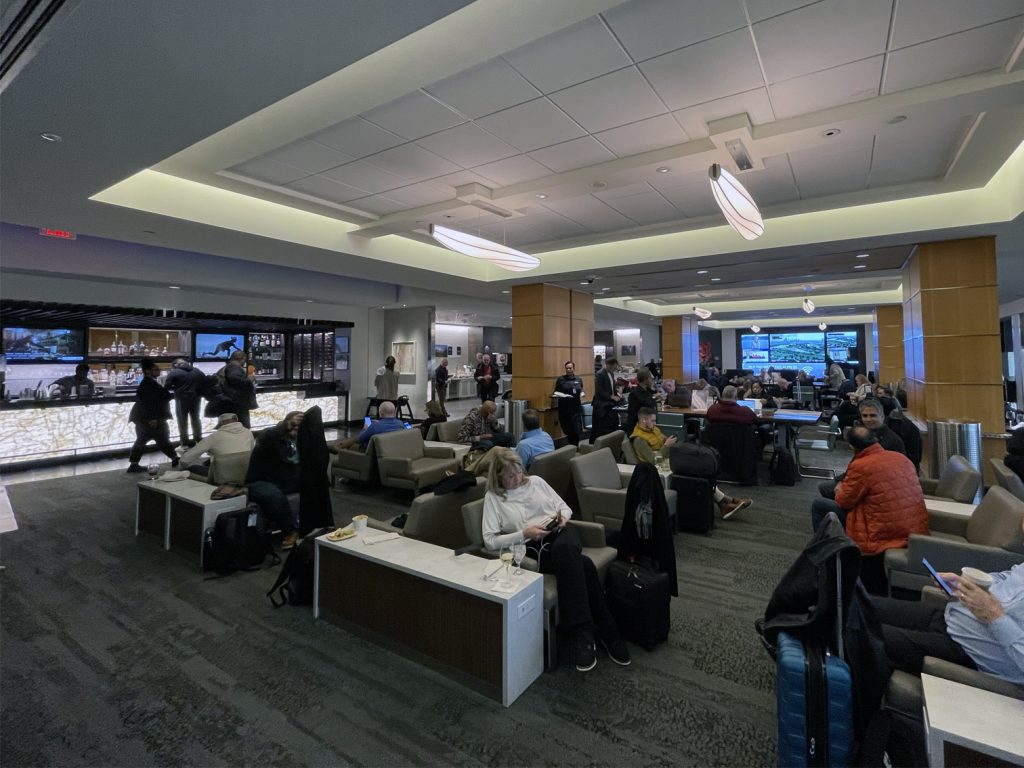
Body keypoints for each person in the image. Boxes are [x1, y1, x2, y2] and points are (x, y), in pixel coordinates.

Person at [481, 449, 630, 671]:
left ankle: (582, 634)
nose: (518, 478)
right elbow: (490, 540)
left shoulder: (537, 482)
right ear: (498, 477)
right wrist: (525, 534)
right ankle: (607, 631)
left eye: (519, 472)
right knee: (584, 565)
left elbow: (565, 508)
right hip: (534, 546)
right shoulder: (494, 498)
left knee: (566, 551)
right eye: (510, 476)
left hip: (561, 533)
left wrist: (562, 519)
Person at [810, 427, 927, 593]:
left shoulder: (862, 465)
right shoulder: (900, 458)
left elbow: (844, 501)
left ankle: (823, 552)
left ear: (851, 447)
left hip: (882, 530)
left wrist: (839, 489)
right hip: (913, 525)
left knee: (819, 505)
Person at [872, 557, 1024, 684]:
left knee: (866, 632)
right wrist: (967, 586)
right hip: (950, 617)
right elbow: (1006, 578)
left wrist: (994, 614)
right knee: (865, 603)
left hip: (968, 652)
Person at [246, 411, 304, 549]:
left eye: (299, 429)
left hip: (282, 480)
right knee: (274, 495)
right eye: (294, 428)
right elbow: (268, 436)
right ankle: (290, 530)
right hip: (260, 480)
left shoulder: (298, 441)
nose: (296, 431)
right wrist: (286, 426)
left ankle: (313, 525)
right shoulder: (270, 437)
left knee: (316, 484)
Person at [126, 358, 178, 473]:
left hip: (144, 417)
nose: (158, 371)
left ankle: (174, 458)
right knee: (158, 438)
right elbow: (149, 403)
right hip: (150, 418)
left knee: (155, 439)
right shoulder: (149, 384)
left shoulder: (148, 383)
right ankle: (174, 458)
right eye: (155, 369)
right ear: (148, 371)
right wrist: (153, 418)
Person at [179, 412, 255, 474]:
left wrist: (181, 468)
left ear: (221, 423)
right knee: (207, 462)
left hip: (222, 474)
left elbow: (185, 459)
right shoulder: (248, 432)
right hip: (245, 470)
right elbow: (252, 452)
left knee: (193, 468)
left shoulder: (214, 437)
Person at [164, 358, 206, 446]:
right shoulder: (197, 371)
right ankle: (198, 440)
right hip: (196, 399)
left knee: (182, 421)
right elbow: (204, 382)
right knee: (196, 419)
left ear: (176, 365)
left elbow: (167, 386)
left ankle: (184, 442)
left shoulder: (175, 372)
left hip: (181, 399)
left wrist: (177, 388)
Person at [335, 400, 406, 451]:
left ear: (380, 413)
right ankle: (340, 445)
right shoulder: (400, 424)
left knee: (353, 446)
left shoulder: (375, 426)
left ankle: (339, 447)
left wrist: (365, 428)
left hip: (374, 452)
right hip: (392, 450)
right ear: (394, 412)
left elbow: (360, 439)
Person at [219, 350, 257, 428]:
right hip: (238, 403)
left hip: (235, 402)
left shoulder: (229, 367)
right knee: (243, 426)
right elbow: (234, 379)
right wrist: (248, 380)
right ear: (242, 359)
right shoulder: (233, 367)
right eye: (245, 360)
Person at [591, 357, 623, 443]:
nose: (615, 369)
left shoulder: (611, 374)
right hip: (601, 405)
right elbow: (600, 390)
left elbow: (612, 388)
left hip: (609, 405)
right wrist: (611, 397)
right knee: (601, 429)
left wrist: (617, 394)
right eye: (614, 367)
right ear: (608, 365)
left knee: (612, 426)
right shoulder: (600, 374)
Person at [554, 360, 585, 446]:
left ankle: (575, 446)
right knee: (568, 429)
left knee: (576, 429)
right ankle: (572, 446)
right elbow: (556, 392)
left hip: (576, 408)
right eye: (567, 368)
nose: (568, 370)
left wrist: (582, 393)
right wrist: (564, 395)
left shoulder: (578, 379)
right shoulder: (561, 380)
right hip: (565, 408)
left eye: (570, 368)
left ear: (574, 369)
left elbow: (581, 389)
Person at [625, 368, 658, 436]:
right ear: (646, 379)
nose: (652, 380)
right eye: (650, 378)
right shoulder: (635, 394)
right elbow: (632, 416)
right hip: (640, 430)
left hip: (649, 427)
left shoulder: (648, 392)